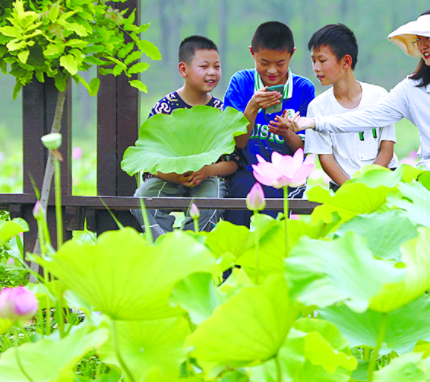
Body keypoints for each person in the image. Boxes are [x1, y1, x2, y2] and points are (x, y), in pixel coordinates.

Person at [283, 6, 430, 301]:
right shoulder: (411, 88)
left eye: (429, 38)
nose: (422, 45)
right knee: (420, 193)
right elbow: (369, 117)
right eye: (419, 40)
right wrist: (314, 122)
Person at [132, 35, 238, 237]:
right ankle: (165, 249)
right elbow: (148, 158)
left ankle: (191, 246)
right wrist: (175, 175)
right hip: (168, 177)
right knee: (142, 198)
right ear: (183, 69)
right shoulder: (165, 108)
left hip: (207, 179)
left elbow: (233, 162)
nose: (212, 72)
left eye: (217, 66)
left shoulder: (221, 111)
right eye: (204, 66)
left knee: (213, 198)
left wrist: (207, 171)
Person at [222, 21, 316, 225]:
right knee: (240, 191)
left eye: (280, 63)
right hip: (248, 172)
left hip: (288, 178)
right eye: (264, 63)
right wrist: (251, 108)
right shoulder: (241, 83)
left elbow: (305, 148)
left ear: (292, 54)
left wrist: (287, 133)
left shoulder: (303, 89)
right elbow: (237, 143)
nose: (272, 71)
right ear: (252, 53)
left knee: (279, 219)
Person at [302, 24, 394, 188]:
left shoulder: (379, 96)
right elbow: (325, 158)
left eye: (322, 61)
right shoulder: (317, 107)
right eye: (313, 61)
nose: (316, 68)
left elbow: (387, 148)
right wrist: (352, 190)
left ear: (346, 61)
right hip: (343, 188)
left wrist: (370, 184)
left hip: (384, 181)